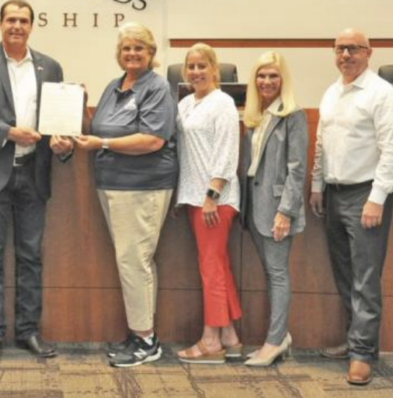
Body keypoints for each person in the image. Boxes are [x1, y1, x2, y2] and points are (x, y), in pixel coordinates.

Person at [0, 0, 71, 361]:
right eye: (11, 20)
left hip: (34, 174)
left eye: (23, 20)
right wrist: (8, 132)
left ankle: (28, 332)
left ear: (32, 26)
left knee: (31, 256)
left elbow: (58, 120)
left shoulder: (50, 66)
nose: (17, 26)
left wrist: (63, 142)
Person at [74, 22, 177, 368]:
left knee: (135, 261)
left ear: (151, 53)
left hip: (143, 186)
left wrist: (100, 143)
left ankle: (147, 340)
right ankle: (138, 332)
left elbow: (153, 140)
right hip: (111, 185)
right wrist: (81, 109)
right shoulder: (114, 85)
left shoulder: (157, 87)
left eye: (139, 48)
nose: (131, 54)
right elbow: (99, 130)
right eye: (126, 49)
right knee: (130, 260)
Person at [309, 28, 393, 386]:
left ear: (369, 52)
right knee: (344, 274)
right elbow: (321, 143)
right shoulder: (332, 92)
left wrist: (377, 199)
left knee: (365, 278)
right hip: (334, 194)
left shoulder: (384, 96)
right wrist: (318, 185)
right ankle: (355, 341)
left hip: (366, 195)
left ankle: (362, 354)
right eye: (339, 48)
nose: (346, 54)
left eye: (353, 48)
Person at [173, 43, 242, 365]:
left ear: (215, 70)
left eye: (203, 66)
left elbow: (228, 155)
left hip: (214, 200)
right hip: (193, 197)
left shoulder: (223, 103)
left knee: (211, 269)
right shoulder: (186, 103)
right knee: (218, 264)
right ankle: (230, 336)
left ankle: (211, 341)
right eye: (191, 66)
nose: (196, 72)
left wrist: (212, 196)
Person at [239, 52, 308, 367]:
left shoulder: (293, 115)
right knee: (270, 272)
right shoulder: (254, 114)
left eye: (274, 76)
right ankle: (280, 335)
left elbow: (297, 169)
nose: (267, 82)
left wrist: (286, 211)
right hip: (253, 205)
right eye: (262, 76)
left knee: (278, 274)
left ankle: (276, 340)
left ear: (284, 80)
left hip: (277, 207)